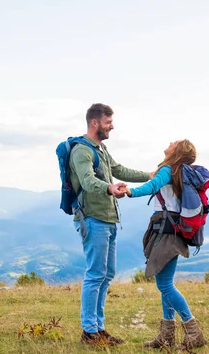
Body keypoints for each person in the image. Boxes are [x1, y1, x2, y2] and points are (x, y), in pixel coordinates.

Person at [69, 103, 152, 347]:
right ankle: (89, 332)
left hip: (109, 219)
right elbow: (86, 181)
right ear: (95, 122)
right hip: (93, 220)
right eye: (108, 122)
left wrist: (150, 175)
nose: (112, 126)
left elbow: (119, 170)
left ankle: (98, 328)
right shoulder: (81, 151)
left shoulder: (101, 149)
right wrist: (108, 187)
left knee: (107, 275)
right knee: (95, 275)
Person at [121, 139, 206, 350]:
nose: (169, 143)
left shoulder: (168, 169)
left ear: (176, 151)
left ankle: (193, 330)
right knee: (165, 282)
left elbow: (153, 186)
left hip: (166, 231)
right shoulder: (179, 171)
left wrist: (130, 192)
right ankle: (166, 335)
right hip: (174, 229)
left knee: (165, 284)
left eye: (173, 142)